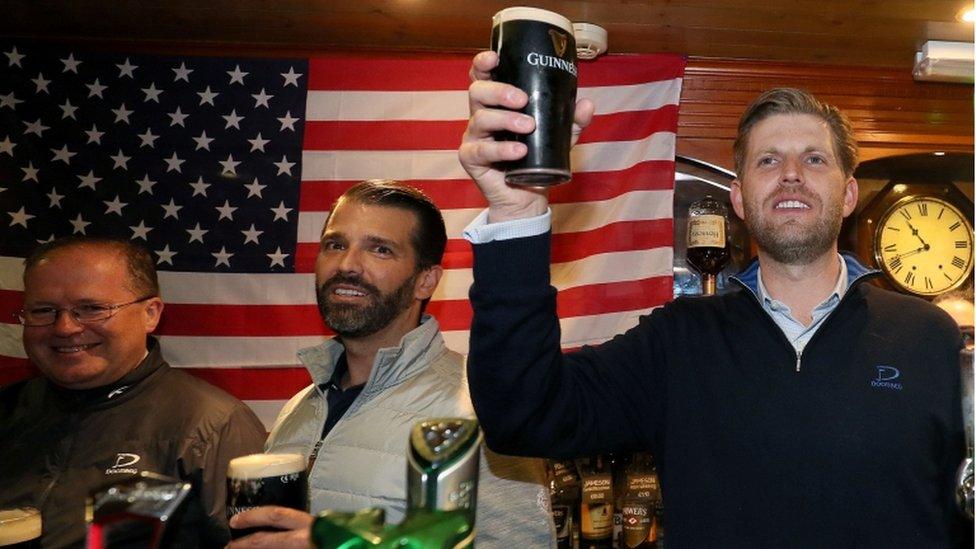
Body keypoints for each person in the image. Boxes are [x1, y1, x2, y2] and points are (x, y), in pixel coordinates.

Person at [457, 50, 965, 548]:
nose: (791, 173)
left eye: (814, 159)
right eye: (768, 160)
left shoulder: (929, 336)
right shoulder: (678, 340)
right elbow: (522, 415)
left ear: (849, 194)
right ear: (740, 199)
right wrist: (516, 214)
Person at [227, 180, 555, 548]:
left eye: (380, 250)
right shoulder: (299, 408)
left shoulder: (483, 408)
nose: (347, 265)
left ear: (425, 281)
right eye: (335, 245)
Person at [0, 236, 267, 548]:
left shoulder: (213, 427)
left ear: (150, 313)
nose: (65, 328)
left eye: (92, 308)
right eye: (43, 310)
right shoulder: (8, 411)